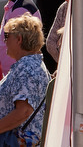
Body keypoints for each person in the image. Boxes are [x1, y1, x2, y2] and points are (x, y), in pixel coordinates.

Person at [0, 15, 46, 147]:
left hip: (13, 139)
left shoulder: (27, 68)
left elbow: (23, 112)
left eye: (7, 36)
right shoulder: (31, 64)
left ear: (19, 39)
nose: (4, 41)